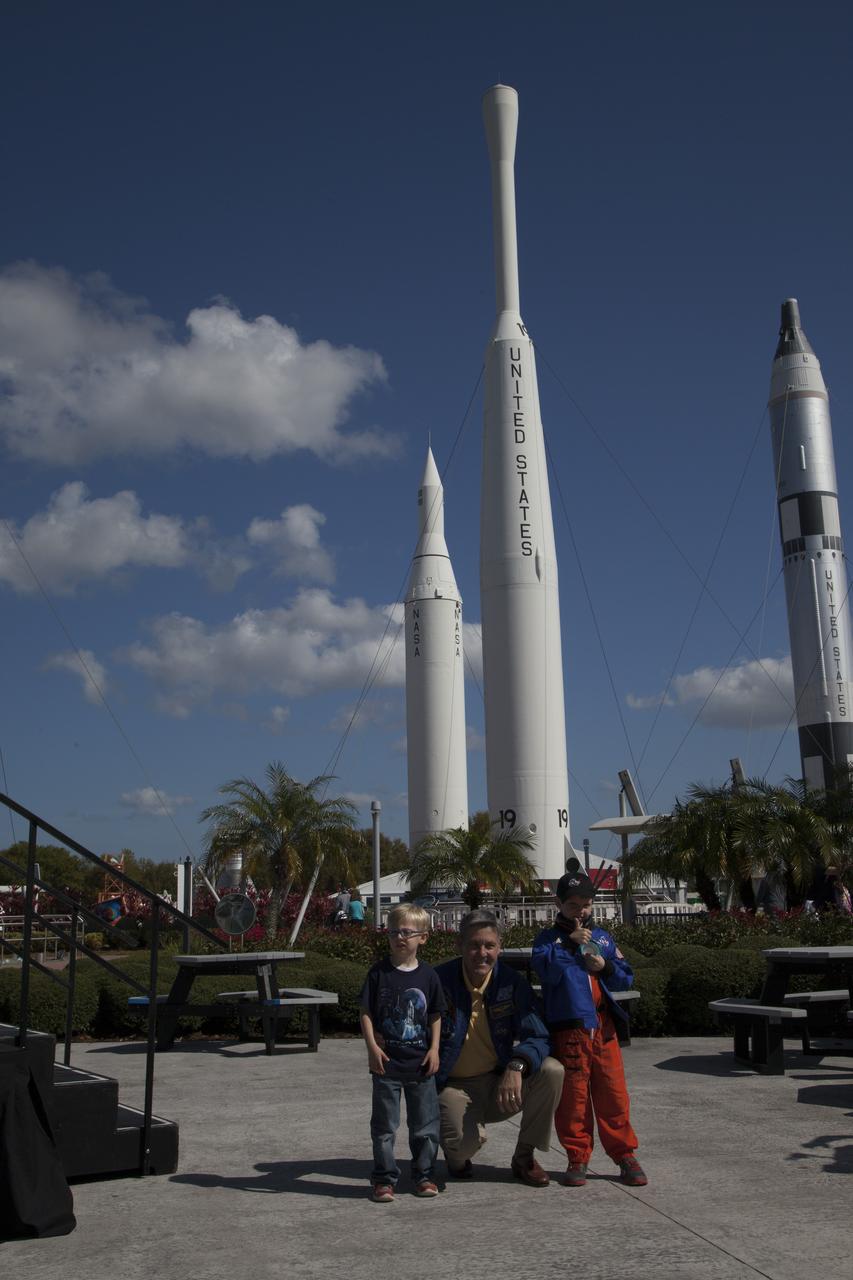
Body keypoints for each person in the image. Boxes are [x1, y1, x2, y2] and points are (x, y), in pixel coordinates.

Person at [532, 870, 647, 1188]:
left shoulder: (605, 938)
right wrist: (569, 945)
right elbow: (545, 970)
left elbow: (625, 976)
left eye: (585, 904)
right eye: (572, 905)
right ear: (559, 903)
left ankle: (624, 1153)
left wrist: (606, 967)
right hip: (570, 1030)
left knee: (613, 1094)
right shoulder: (548, 939)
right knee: (574, 1098)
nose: (580, 911)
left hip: (604, 1027)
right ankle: (577, 1155)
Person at [435, 908, 564, 1187]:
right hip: (453, 1087)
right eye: (474, 945)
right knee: (460, 1147)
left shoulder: (511, 982)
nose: (482, 953)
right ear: (459, 946)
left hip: (499, 1085)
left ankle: (524, 1157)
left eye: (490, 945)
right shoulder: (438, 981)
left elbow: (538, 1035)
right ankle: (456, 1155)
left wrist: (517, 1066)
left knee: (552, 1071)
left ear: (499, 947)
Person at [359, 903, 446, 1202]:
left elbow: (435, 1014)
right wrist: (372, 1047)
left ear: (423, 937)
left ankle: (424, 1175)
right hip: (387, 1067)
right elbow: (366, 1012)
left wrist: (435, 1049)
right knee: (384, 1127)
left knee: (425, 1127)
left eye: (408, 932)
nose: (400, 937)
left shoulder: (429, 976)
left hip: (421, 1066)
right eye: (394, 931)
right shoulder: (378, 974)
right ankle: (384, 1179)